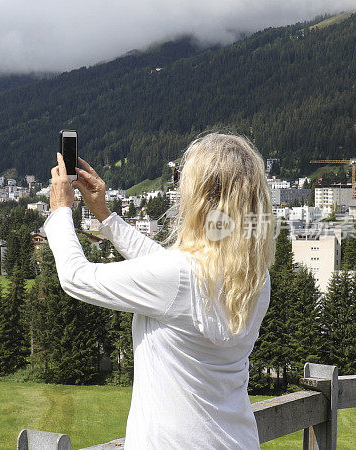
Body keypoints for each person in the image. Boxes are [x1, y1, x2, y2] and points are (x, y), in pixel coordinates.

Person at [44, 133, 275, 449]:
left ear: (201, 195)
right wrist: (106, 216)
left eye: (181, 178)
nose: (178, 189)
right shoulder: (253, 277)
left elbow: (76, 277)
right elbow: (170, 273)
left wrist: (59, 211)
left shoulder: (180, 277)